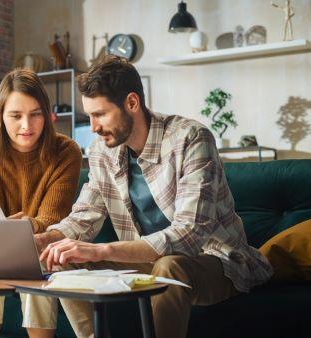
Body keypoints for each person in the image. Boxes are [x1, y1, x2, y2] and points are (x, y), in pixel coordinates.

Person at [35, 56, 273, 338]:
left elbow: (189, 234)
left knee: (169, 266)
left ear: (132, 103)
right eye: (89, 116)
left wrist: (101, 250)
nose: (94, 127)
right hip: (146, 261)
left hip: (214, 260)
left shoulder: (191, 138)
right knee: (61, 258)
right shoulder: (102, 152)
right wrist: (41, 241)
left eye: (100, 114)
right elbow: (83, 217)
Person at [0, 68, 83, 338]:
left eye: (35, 114)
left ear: (47, 113)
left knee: (39, 258)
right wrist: (8, 232)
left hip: (43, 246)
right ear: (1, 115)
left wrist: (25, 227)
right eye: (16, 116)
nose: (26, 126)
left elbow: (53, 220)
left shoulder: (67, 152)